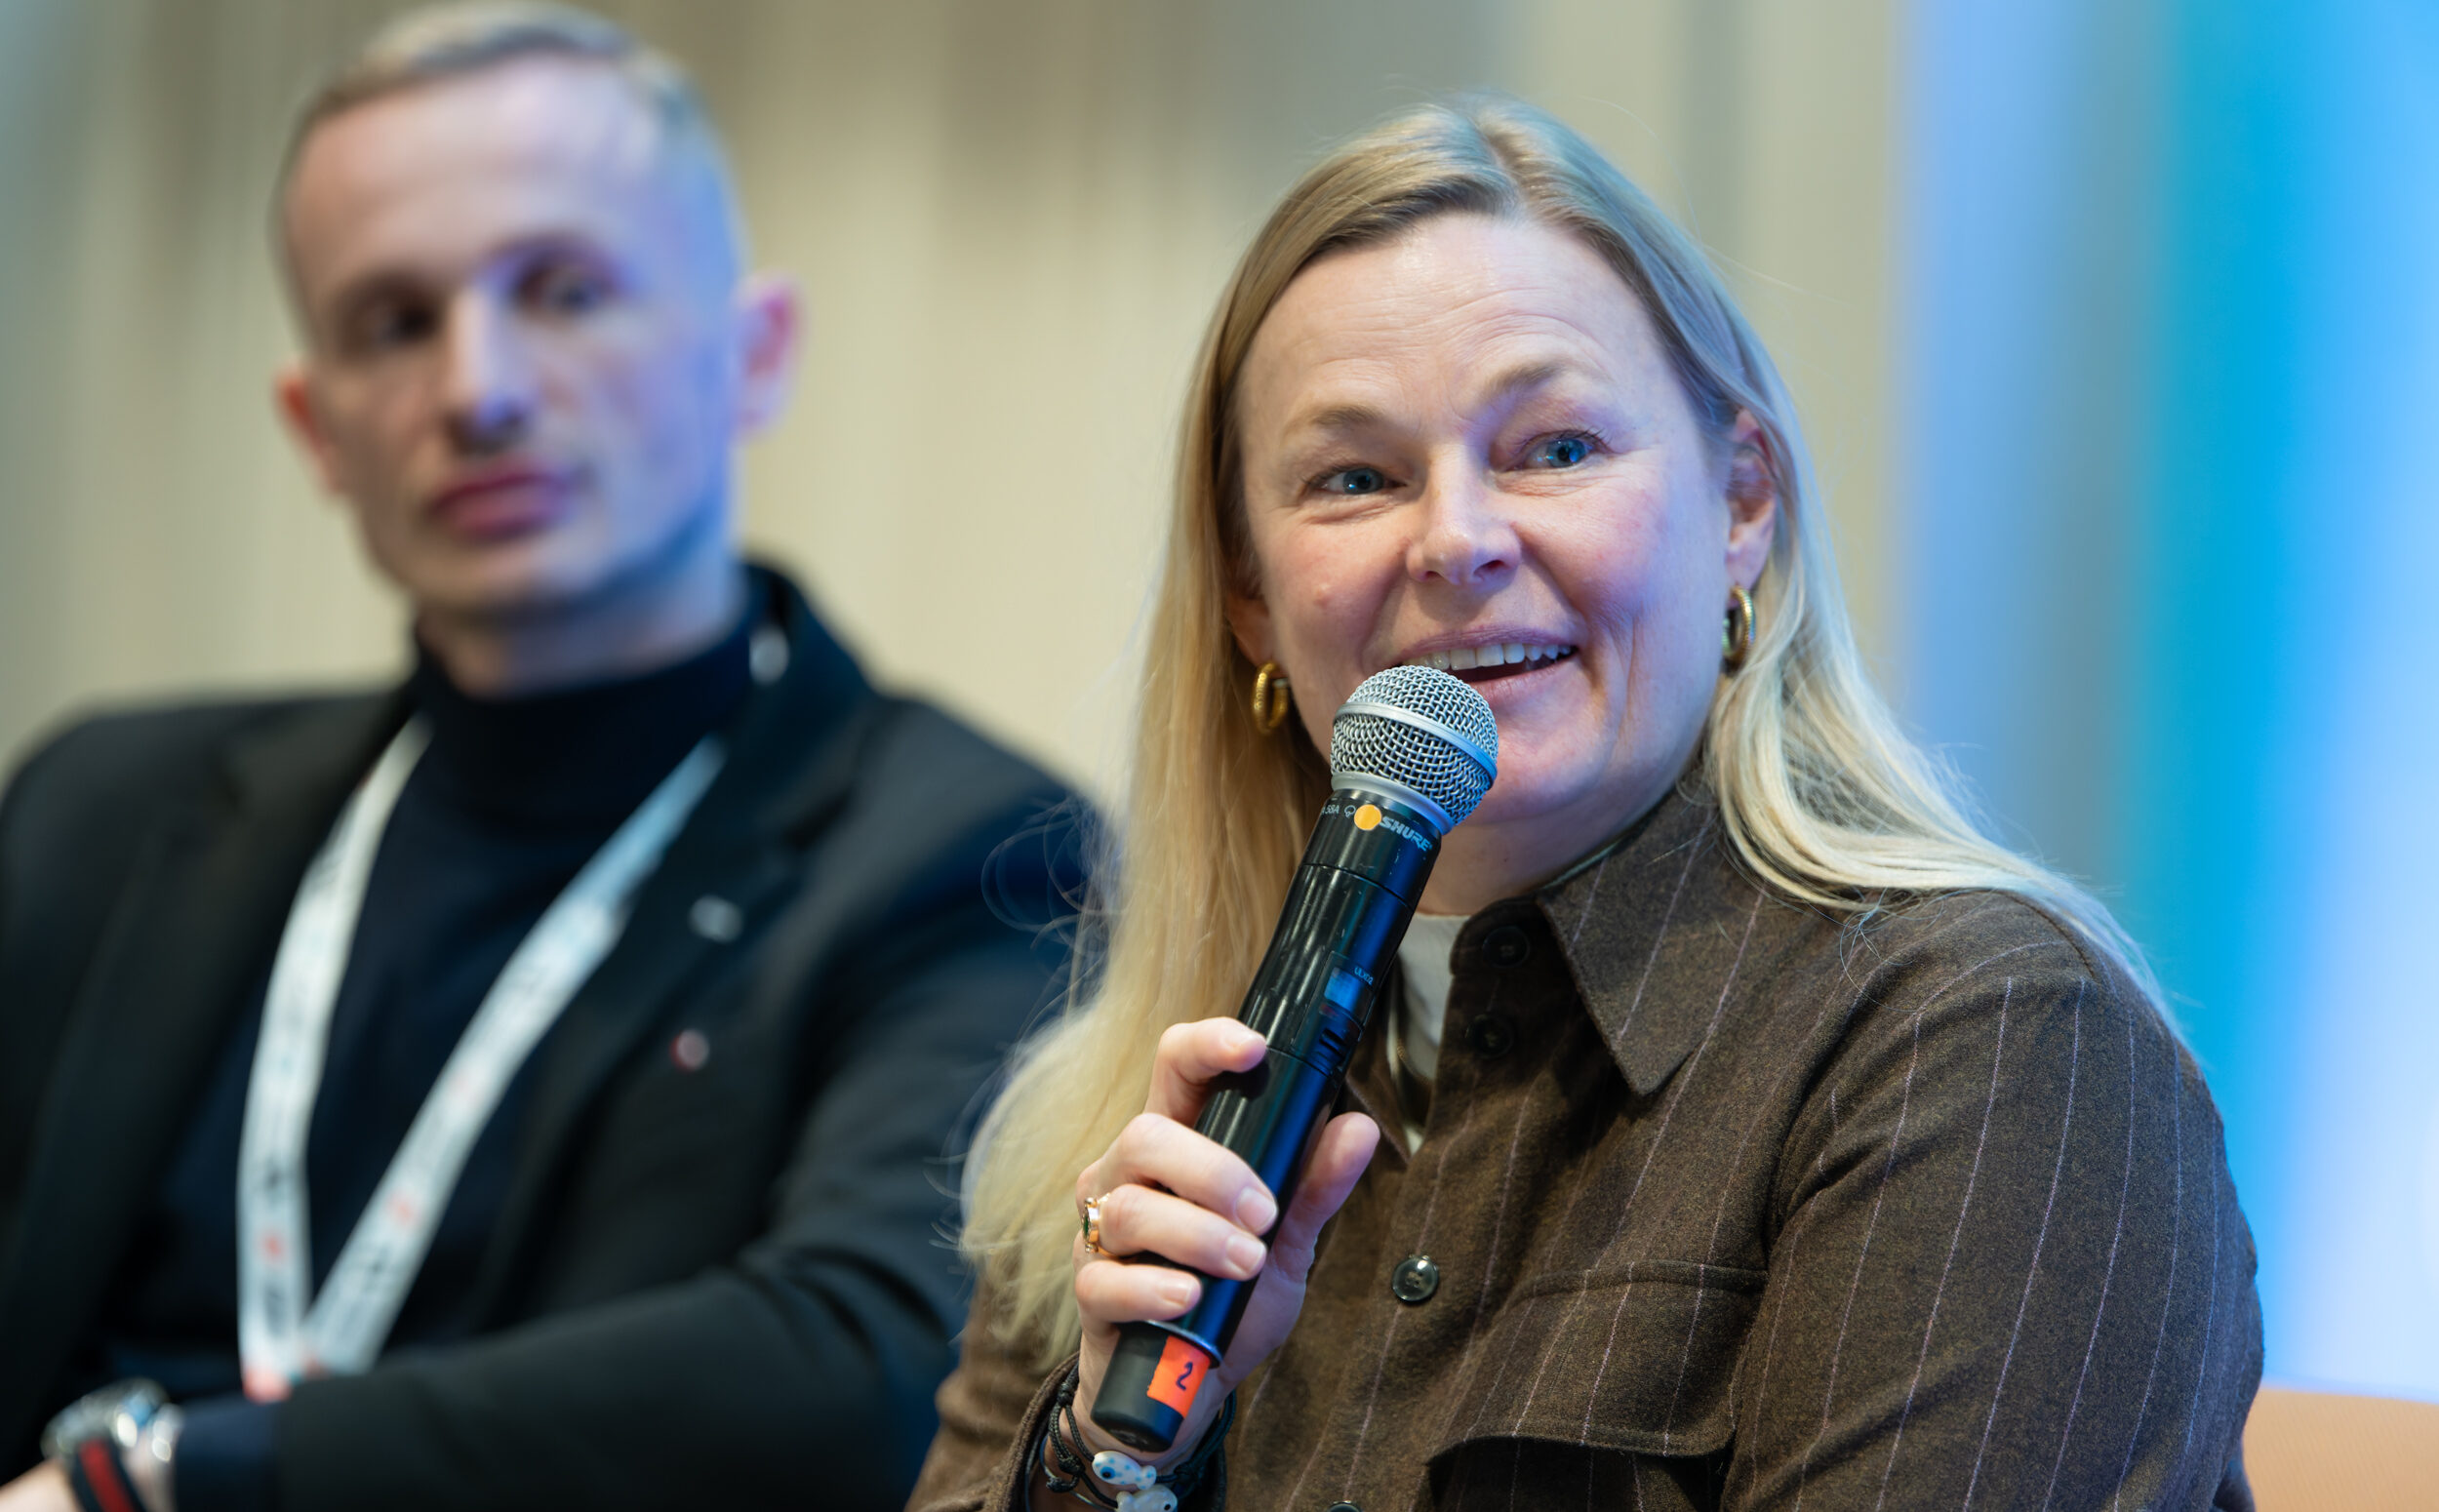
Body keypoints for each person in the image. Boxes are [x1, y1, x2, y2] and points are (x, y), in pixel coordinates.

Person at [911, 97, 2260, 1511]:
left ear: (1742, 502)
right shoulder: (1142, 1118)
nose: (1458, 541)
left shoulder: (1985, 1042)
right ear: (1251, 596)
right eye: (1354, 476)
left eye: (1555, 447)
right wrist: (1114, 1454)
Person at [0, 6, 1074, 1510]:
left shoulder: (979, 855)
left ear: (754, 354)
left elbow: (872, 1365)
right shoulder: (98, 813)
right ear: (317, 430)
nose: (480, 389)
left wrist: (167, 1482)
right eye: (393, 321)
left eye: (564, 291)